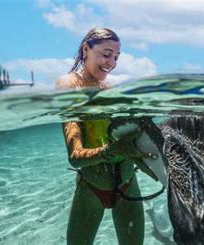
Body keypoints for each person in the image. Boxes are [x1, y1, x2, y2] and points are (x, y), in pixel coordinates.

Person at [55, 28, 152, 245]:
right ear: (86, 49)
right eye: (106, 54)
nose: (112, 63)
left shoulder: (111, 89)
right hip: (91, 189)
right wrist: (114, 149)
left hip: (129, 183)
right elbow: (75, 156)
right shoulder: (69, 85)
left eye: (116, 57)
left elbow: (131, 139)